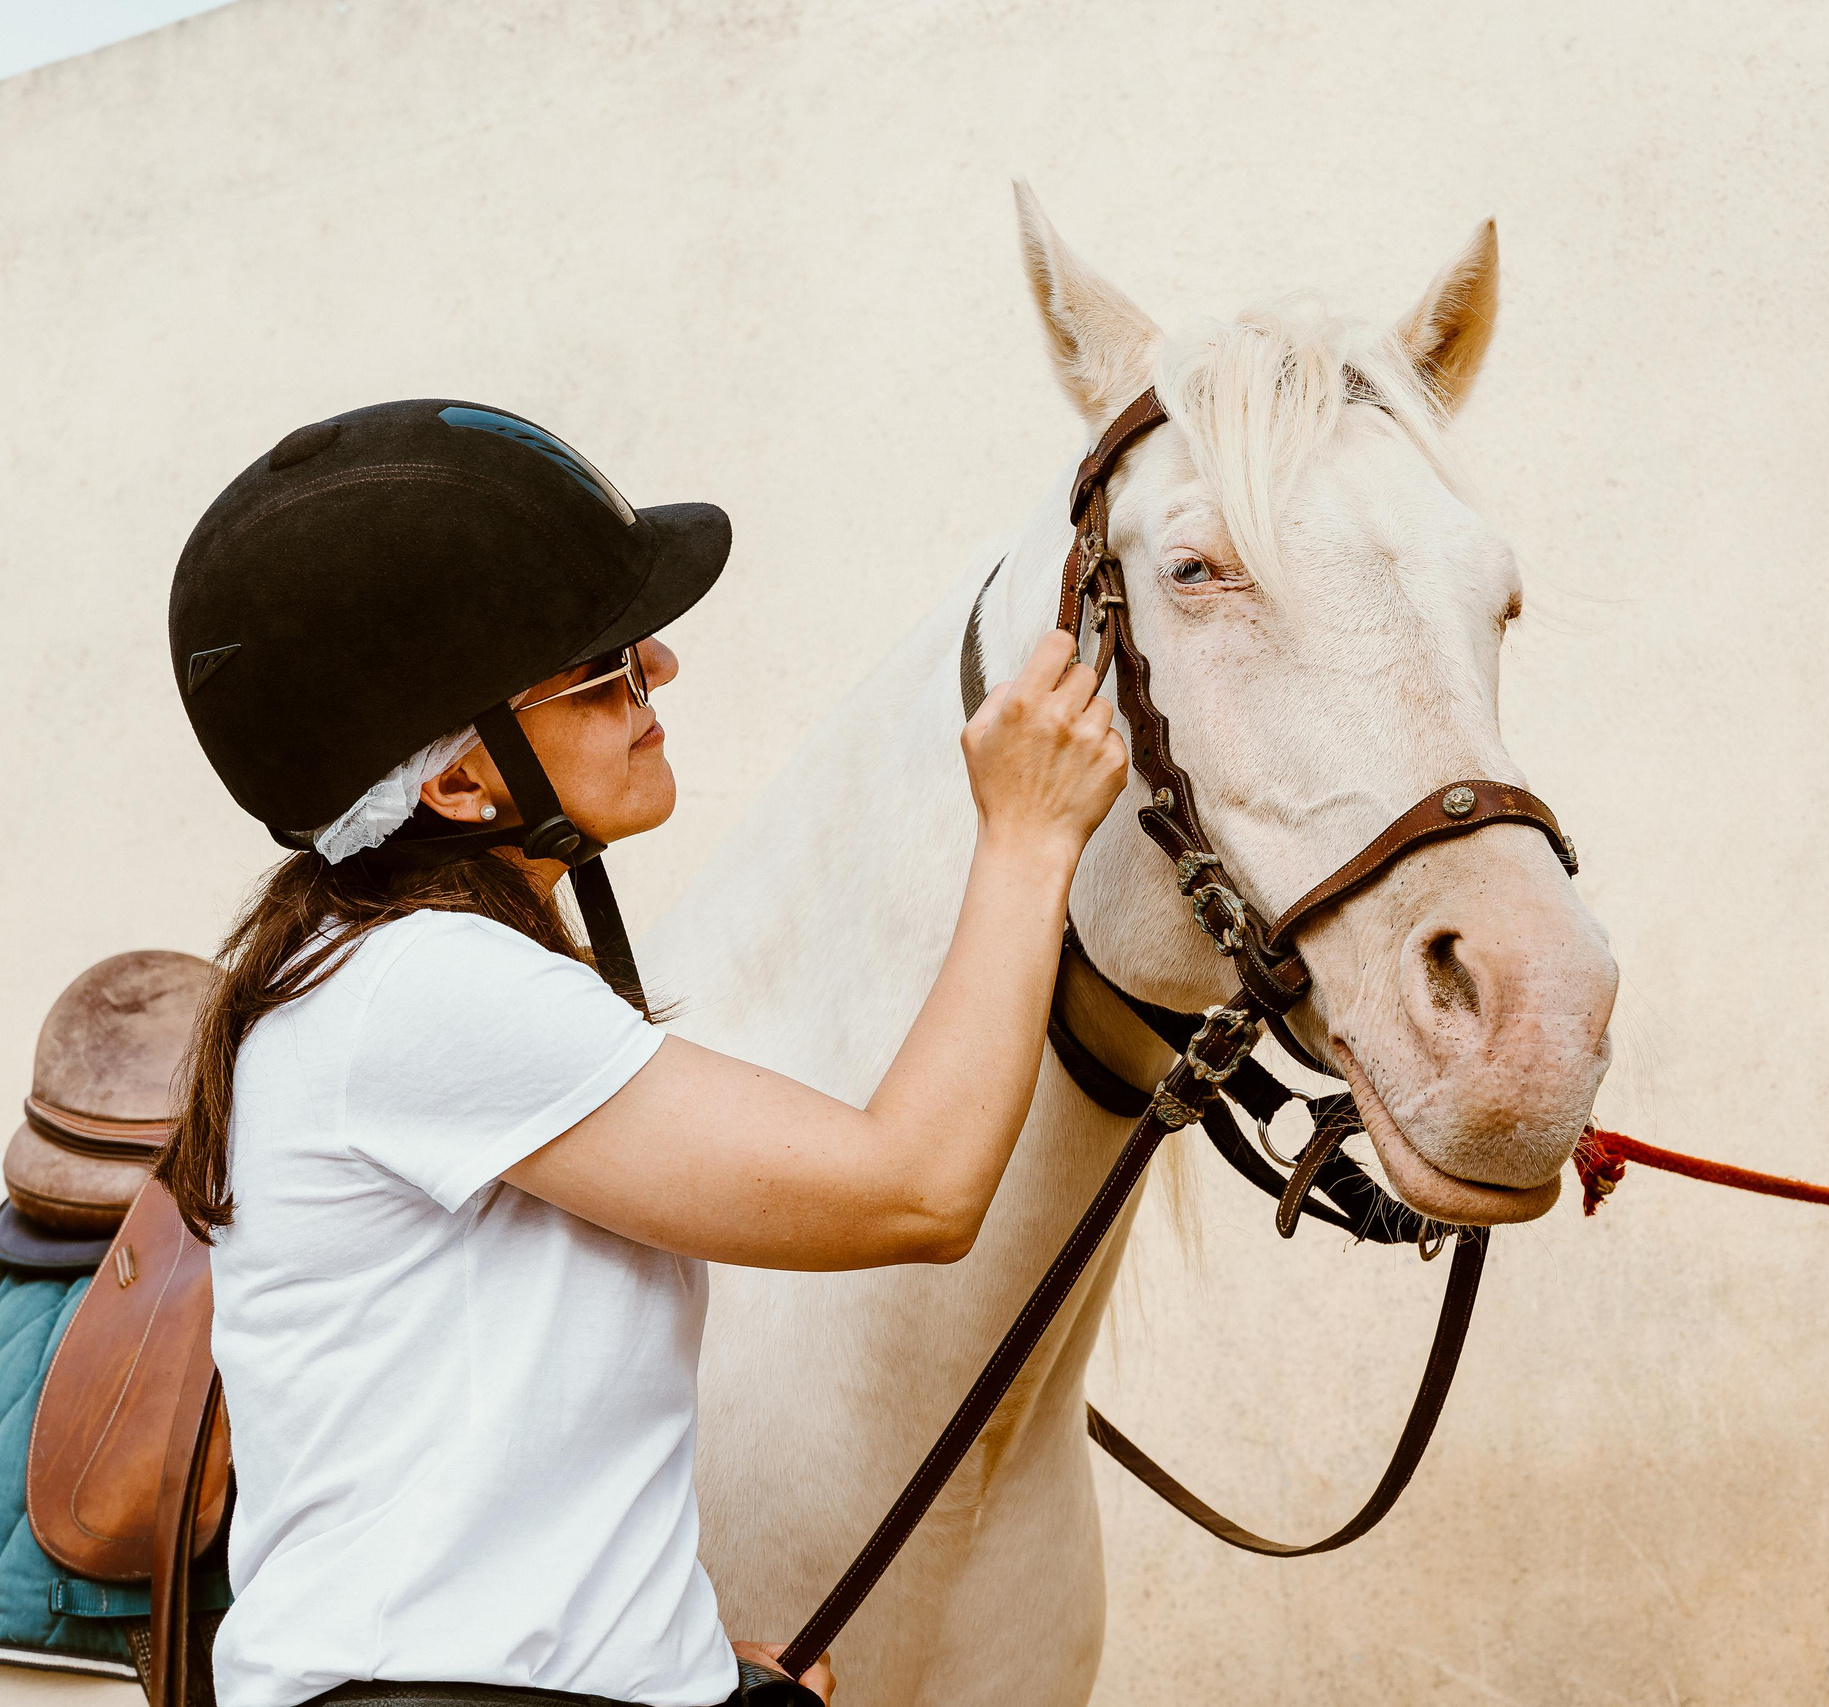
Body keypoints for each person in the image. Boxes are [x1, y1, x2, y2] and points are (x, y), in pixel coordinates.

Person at [160, 399, 1126, 1707]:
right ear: (456, 784)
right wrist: (1026, 836)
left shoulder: (378, 979)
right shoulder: (433, 991)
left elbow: (497, 1448)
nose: (657, 670)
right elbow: (919, 1185)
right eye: (600, 670)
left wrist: (684, 1672)